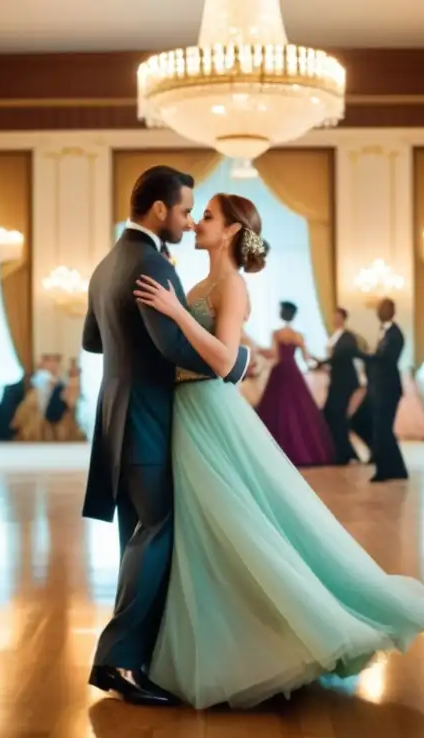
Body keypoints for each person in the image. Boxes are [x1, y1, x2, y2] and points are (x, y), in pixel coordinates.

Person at [133, 192, 424, 710]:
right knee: (205, 528)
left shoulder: (231, 285)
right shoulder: (200, 283)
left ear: (231, 231)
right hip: (185, 410)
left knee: (239, 522)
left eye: (206, 217)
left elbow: (224, 358)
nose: (196, 224)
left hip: (210, 408)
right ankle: (220, 636)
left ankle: (282, 636)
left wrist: (176, 314)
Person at [80, 167, 251, 707]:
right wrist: (239, 360)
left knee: (137, 535)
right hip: (149, 420)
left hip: (114, 418)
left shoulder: (107, 263)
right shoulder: (154, 263)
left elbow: (92, 341)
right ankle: (117, 660)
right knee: (155, 531)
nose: (186, 220)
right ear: (160, 211)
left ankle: (141, 657)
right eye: (184, 211)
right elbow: (177, 347)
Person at [255, 301, 335, 467]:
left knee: (276, 410)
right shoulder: (298, 335)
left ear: (282, 314)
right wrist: (321, 363)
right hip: (293, 372)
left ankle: (275, 454)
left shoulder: (277, 333)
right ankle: (307, 453)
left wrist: (258, 350)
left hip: (279, 373)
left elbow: (275, 356)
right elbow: (307, 358)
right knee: (300, 411)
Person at [355, 298, 409, 482]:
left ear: (391, 312)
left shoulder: (395, 334)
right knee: (365, 423)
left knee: (383, 429)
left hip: (388, 389)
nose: (379, 311)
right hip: (378, 388)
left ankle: (386, 469)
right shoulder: (385, 332)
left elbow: (384, 360)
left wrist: (361, 354)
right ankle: (395, 468)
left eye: (383, 308)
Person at [314, 307, 362, 465]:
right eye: (333, 316)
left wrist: (322, 362)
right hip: (336, 381)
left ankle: (345, 453)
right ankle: (344, 452)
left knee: (336, 415)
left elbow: (341, 357)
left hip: (345, 382)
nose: (335, 319)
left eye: (338, 316)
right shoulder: (334, 336)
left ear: (343, 318)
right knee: (332, 415)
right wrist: (321, 363)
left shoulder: (348, 337)